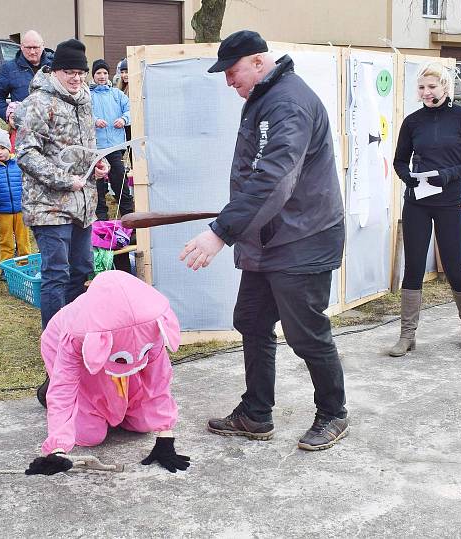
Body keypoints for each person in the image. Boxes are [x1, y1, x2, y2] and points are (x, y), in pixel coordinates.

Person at [179, 30, 348, 451]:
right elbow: (260, 175)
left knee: (307, 333)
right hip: (270, 238)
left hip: (305, 237)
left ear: (258, 62)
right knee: (252, 320)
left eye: (232, 71)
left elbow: (274, 177)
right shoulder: (266, 97)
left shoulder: (287, 102)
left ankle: (333, 413)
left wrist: (221, 231)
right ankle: (256, 413)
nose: (228, 81)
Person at [25, 271, 190, 476]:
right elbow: (64, 386)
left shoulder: (150, 324)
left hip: (116, 349)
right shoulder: (73, 334)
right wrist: (57, 450)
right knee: (91, 434)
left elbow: (158, 379)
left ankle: (110, 400)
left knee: (143, 423)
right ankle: (51, 390)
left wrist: (165, 436)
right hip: (80, 349)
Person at [389, 62, 461, 356]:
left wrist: (446, 175)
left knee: (454, 267)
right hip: (417, 201)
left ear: (444, 87)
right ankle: (407, 335)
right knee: (414, 267)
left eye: (432, 87)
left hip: (450, 200)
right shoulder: (413, 121)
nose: (426, 92)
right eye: (421, 87)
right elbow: (400, 161)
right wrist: (410, 178)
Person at [15, 38, 110, 330]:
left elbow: (84, 149)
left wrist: (97, 165)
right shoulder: (39, 103)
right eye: (69, 71)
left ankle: (75, 331)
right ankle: (55, 341)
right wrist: (65, 181)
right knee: (56, 273)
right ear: (55, 71)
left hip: (83, 203)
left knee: (82, 269)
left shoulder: (85, 99)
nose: (76, 77)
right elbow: (26, 153)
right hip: (48, 205)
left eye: (80, 73)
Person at [0, 30, 54, 149]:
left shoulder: (55, 67)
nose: (32, 51)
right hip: (25, 132)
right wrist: (8, 115)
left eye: (36, 47)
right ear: (21, 47)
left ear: (43, 46)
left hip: (53, 132)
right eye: (28, 47)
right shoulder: (9, 68)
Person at [90, 59, 134, 220]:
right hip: (96, 146)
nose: (102, 76)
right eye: (98, 73)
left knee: (120, 181)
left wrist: (123, 119)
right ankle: (101, 218)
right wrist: (94, 120)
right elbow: (84, 114)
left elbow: (131, 110)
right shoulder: (88, 95)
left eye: (104, 73)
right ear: (93, 75)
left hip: (115, 146)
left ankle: (129, 218)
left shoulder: (117, 94)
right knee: (98, 184)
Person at [0, 128, 31, 271]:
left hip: (20, 210)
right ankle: (7, 268)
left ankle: (25, 265)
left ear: (9, 148)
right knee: (6, 241)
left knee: (23, 240)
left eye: (3, 148)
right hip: (3, 212)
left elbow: (27, 185)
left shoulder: (19, 164)